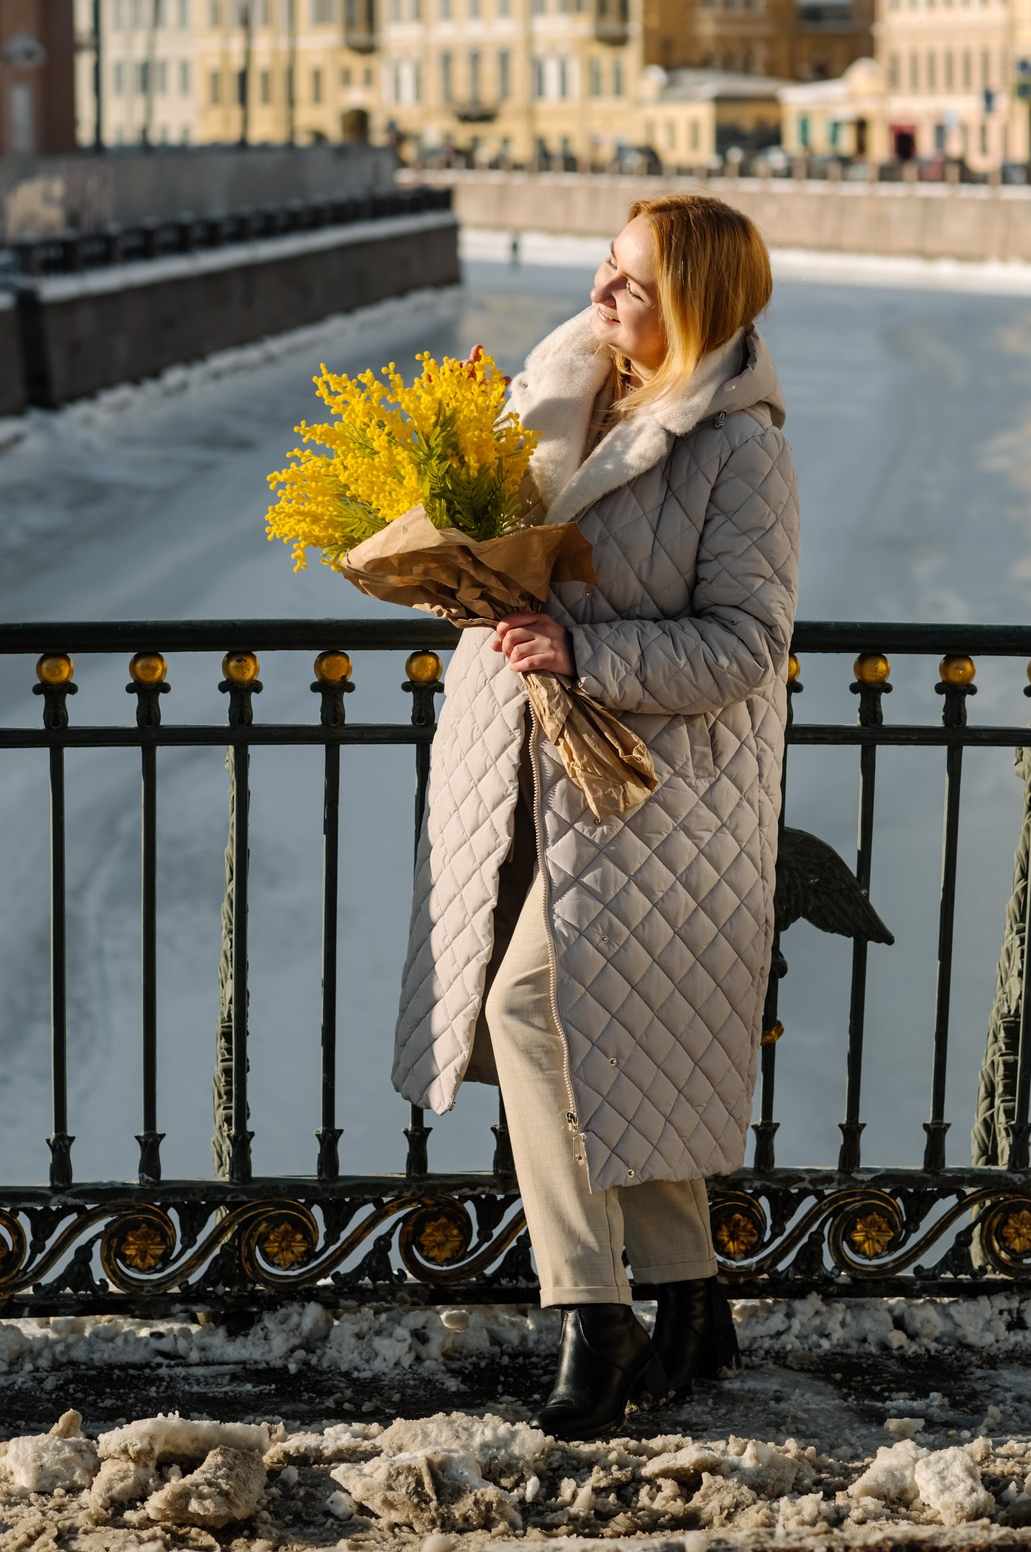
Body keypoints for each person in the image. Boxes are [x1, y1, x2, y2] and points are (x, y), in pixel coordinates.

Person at [393, 193, 800, 1436]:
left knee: (536, 1007)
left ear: (692, 303)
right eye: (604, 269)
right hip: (522, 768)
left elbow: (747, 642)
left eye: (627, 282)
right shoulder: (560, 389)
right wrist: (444, 551)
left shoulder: (739, 448)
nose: (598, 292)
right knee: (629, 1037)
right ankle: (690, 1300)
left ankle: (594, 1316)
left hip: (653, 797)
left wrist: (582, 651)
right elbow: (497, 553)